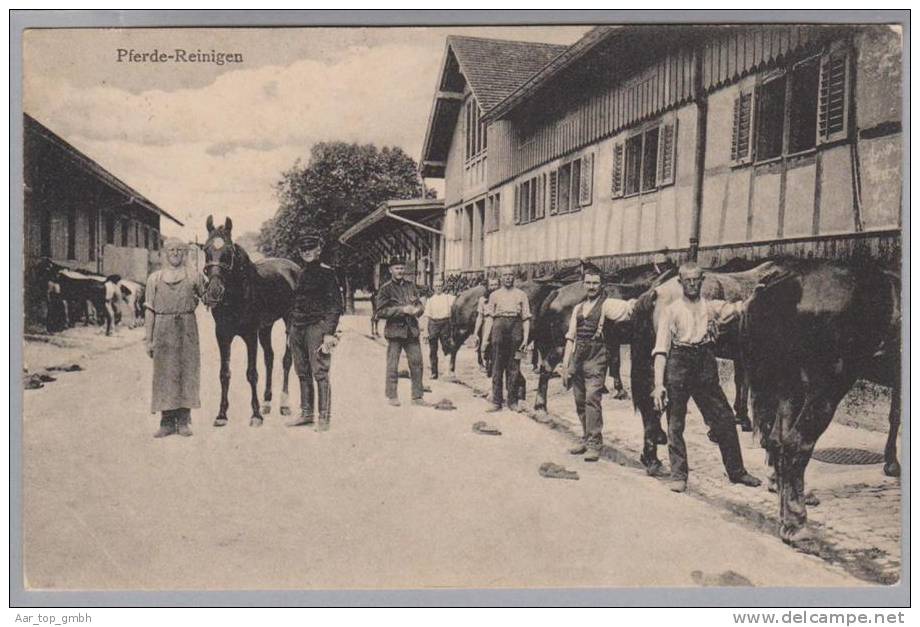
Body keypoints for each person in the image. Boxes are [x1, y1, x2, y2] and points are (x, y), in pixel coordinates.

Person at [651, 262, 762, 492]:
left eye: (696, 280)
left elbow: (738, 308)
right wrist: (659, 384)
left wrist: (760, 293)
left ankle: (737, 471)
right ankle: (678, 475)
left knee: (725, 419)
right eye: (687, 280)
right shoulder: (670, 311)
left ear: (702, 282)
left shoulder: (710, 306)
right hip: (678, 364)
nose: (692, 284)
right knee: (675, 424)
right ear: (680, 283)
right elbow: (661, 350)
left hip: (704, 363)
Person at [560, 264, 636, 461]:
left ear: (601, 285)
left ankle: (595, 443)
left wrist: (637, 302)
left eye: (595, 283)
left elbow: (628, 309)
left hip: (597, 357)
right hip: (577, 357)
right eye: (588, 283)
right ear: (583, 285)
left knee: (592, 398)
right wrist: (566, 365)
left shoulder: (607, 304)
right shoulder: (578, 308)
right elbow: (570, 338)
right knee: (579, 400)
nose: (592, 286)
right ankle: (586, 438)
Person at [145, 238, 205, 438]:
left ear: (185, 253)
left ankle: (184, 420)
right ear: (164, 253)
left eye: (180, 249)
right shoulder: (155, 278)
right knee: (164, 373)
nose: (176, 253)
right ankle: (166, 421)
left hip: (187, 327)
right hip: (163, 328)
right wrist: (149, 339)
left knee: (187, 371)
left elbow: (208, 299)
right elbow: (150, 311)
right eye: (171, 249)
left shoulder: (194, 276)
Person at [286, 231, 343, 431]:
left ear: (319, 250)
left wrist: (329, 332)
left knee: (320, 372)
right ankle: (307, 413)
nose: (307, 253)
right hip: (298, 328)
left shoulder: (327, 273)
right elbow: (296, 303)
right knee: (302, 371)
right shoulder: (300, 274)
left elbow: (335, 306)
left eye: (311, 249)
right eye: (304, 250)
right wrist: (291, 331)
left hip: (317, 327)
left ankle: (324, 418)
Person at [375, 258, 428, 407]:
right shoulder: (385, 289)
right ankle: (392, 396)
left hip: (411, 331)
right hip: (395, 332)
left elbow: (419, 304)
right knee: (393, 364)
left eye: (402, 268)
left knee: (417, 363)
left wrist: (418, 310)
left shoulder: (411, 286)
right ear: (390, 270)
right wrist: (402, 310)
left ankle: (417, 396)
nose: (400, 271)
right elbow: (380, 311)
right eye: (397, 268)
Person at [480, 269, 530, 412]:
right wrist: (485, 340)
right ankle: (496, 400)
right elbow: (489, 318)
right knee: (496, 365)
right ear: (501, 278)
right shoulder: (494, 295)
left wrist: (526, 339)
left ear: (514, 277)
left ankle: (512, 401)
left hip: (516, 327)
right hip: (498, 327)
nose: (508, 278)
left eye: (510, 275)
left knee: (514, 366)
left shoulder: (521, 295)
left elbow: (526, 318)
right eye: (505, 275)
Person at [420, 276, 455, 380]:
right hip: (433, 324)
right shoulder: (430, 300)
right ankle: (434, 372)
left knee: (446, 348)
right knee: (433, 350)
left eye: (440, 286)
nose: (438, 288)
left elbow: (457, 305)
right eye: (436, 286)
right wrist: (425, 331)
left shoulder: (449, 298)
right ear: (433, 287)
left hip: (445, 324)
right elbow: (427, 316)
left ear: (443, 286)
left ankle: (447, 371)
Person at [473, 276, 500, 375]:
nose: (494, 287)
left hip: (499, 321)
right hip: (487, 321)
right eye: (492, 285)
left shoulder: (502, 296)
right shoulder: (483, 299)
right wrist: (476, 331)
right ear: (488, 286)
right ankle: (486, 362)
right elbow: (480, 316)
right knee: (485, 343)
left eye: (496, 284)